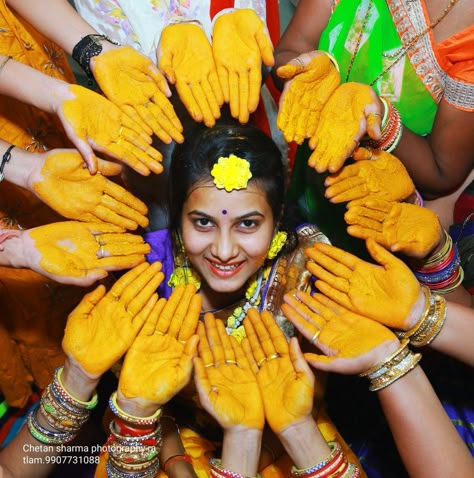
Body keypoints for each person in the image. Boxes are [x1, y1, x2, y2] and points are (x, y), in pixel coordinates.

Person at [138, 120, 363, 477]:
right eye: (202, 223)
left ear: (276, 223)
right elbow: (141, 401)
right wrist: (180, 466)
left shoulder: (305, 270)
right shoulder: (149, 271)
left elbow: (311, 398)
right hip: (177, 441)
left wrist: (244, 459)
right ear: (178, 218)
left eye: (247, 224)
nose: (224, 251)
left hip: (284, 440)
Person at [271, 0, 474, 278]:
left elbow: (441, 172)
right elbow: (289, 50)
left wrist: (381, 116)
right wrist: (309, 74)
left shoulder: (468, 32)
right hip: (308, 184)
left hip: (385, 228)